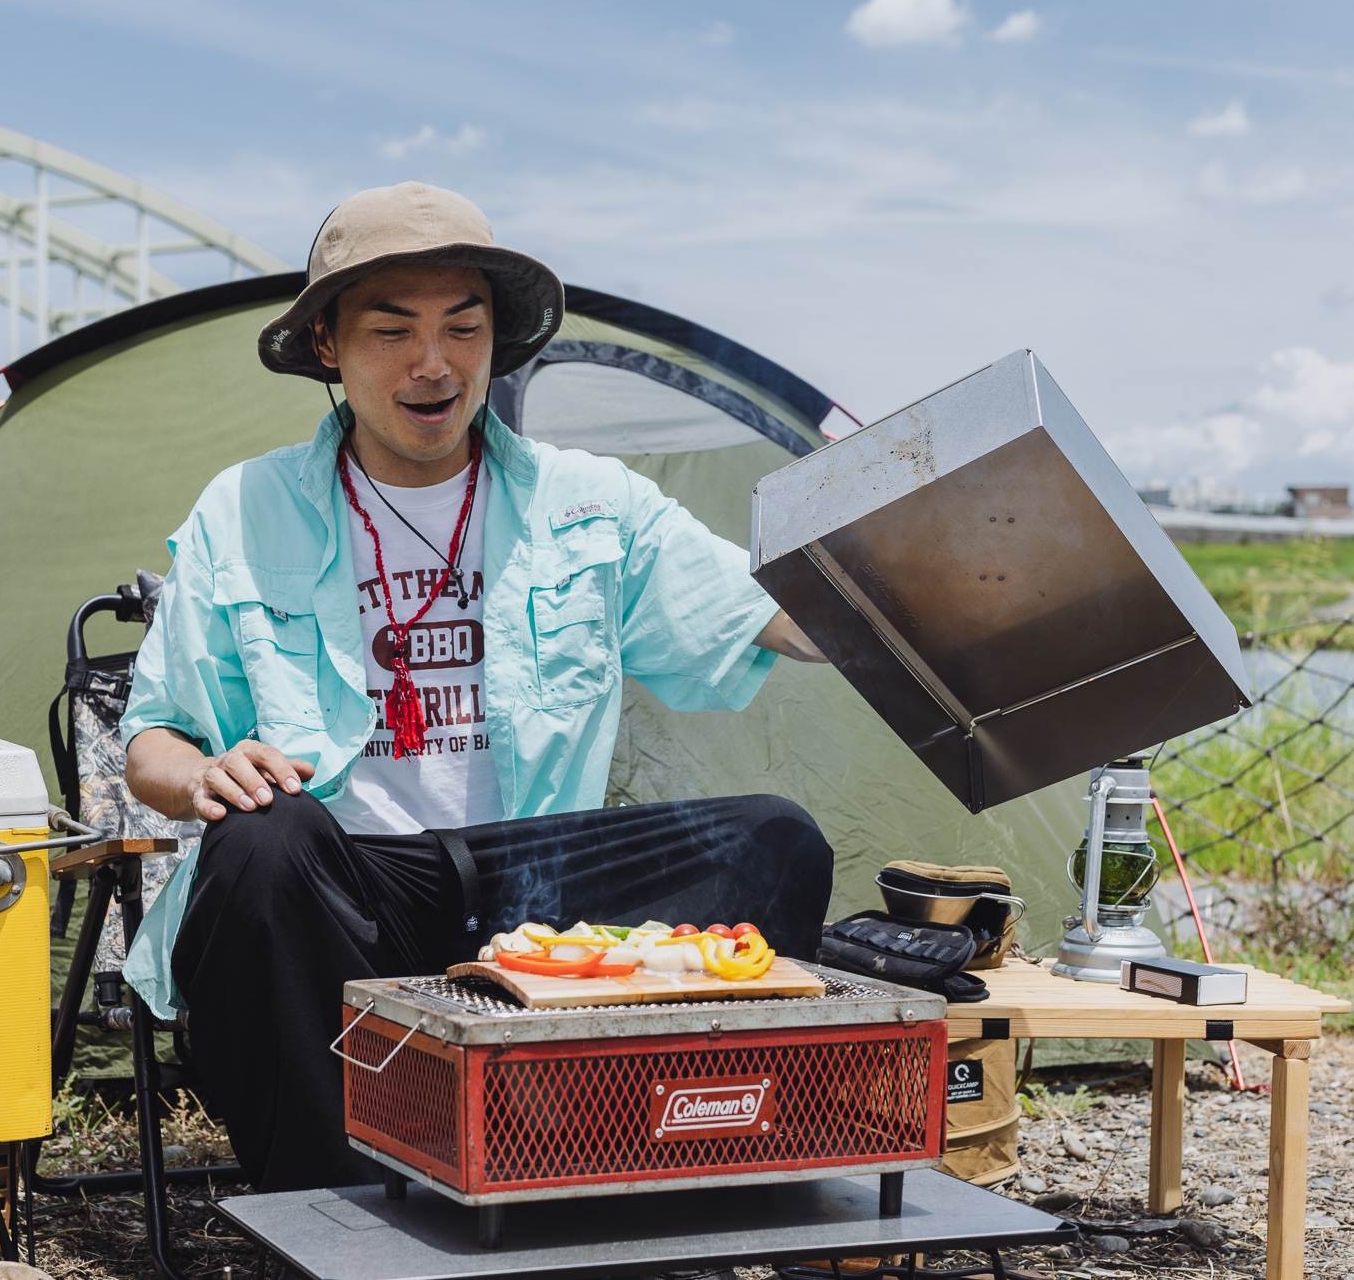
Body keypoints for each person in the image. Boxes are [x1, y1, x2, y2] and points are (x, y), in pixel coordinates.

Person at [119, 181, 835, 1190]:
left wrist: (927, 579)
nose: (433, 361)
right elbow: (149, 737)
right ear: (327, 344)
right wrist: (204, 777)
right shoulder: (245, 509)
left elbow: (775, 614)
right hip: (342, 889)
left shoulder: (589, 505)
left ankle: (646, 1174)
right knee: (259, 835)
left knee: (772, 837)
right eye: (392, 329)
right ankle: (342, 1210)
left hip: (530, 890)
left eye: (463, 326)